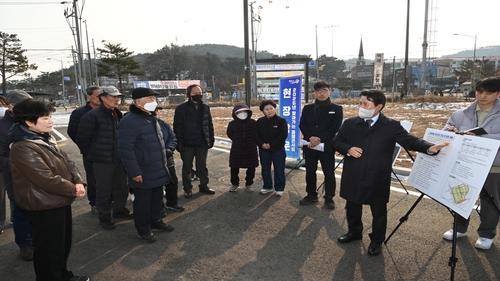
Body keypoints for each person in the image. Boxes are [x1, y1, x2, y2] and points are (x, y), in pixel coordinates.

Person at [332, 89, 449, 256]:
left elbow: (409, 140)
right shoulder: (350, 124)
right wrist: (348, 148)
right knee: (352, 205)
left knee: (378, 211)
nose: (361, 106)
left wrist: (428, 147)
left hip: (377, 176)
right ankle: (354, 232)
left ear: (378, 107)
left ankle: (376, 241)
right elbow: (336, 142)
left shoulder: (391, 125)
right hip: (354, 173)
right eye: (360, 103)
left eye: (366, 103)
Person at [9, 99, 89, 281]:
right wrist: (74, 190)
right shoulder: (23, 146)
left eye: (51, 116)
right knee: (47, 249)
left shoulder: (44, 137)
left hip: (58, 200)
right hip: (44, 204)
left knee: (61, 245)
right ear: (29, 122)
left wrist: (78, 181)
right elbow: (46, 180)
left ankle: (63, 275)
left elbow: (68, 161)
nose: (51, 121)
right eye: (45, 117)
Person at [441, 77, 500, 250]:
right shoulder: (460, 114)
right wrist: (451, 132)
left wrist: (480, 137)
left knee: (491, 200)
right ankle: (459, 228)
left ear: (498, 93)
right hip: (465, 163)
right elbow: (446, 130)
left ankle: (487, 234)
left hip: (494, 165)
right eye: (479, 92)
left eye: (489, 93)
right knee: (460, 195)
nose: (483, 96)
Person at [118, 88, 175, 243]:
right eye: (150, 98)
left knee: (157, 199)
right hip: (142, 170)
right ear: (138, 102)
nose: (154, 102)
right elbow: (125, 150)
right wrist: (134, 172)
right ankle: (143, 229)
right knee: (143, 202)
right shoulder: (129, 122)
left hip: (157, 167)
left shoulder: (151, 118)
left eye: (154, 99)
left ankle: (156, 221)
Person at [76, 86, 132, 231]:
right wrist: (94, 155)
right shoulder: (92, 116)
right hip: (102, 160)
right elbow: (83, 139)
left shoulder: (118, 114)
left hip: (119, 158)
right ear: (102, 97)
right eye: (112, 97)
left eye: (118, 97)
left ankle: (119, 210)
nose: (116, 99)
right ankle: (104, 216)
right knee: (104, 190)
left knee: (121, 187)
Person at [0, 90, 34, 260]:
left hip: (37, 177)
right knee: (20, 212)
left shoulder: (30, 121)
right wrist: (22, 166)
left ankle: (37, 240)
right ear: (11, 107)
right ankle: (25, 244)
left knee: (36, 210)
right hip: (15, 177)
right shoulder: (2, 126)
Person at [299, 81, 343, 209]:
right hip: (310, 146)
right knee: (310, 171)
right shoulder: (308, 108)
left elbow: (335, 127)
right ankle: (311, 194)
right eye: (318, 91)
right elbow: (302, 125)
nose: (321, 93)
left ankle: (329, 197)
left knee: (329, 172)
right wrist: (311, 138)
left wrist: (319, 138)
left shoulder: (336, 109)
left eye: (324, 90)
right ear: (314, 93)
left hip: (327, 146)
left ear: (329, 91)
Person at [173, 84, 215, 198]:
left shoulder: (205, 107)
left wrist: (211, 139)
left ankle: (204, 185)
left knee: (202, 165)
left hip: (202, 142)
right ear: (189, 94)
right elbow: (177, 127)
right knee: (187, 167)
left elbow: (209, 125)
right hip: (187, 143)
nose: (198, 95)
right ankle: (187, 188)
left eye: (199, 93)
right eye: (195, 93)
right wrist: (179, 142)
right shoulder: (181, 108)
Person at [67, 85, 100, 213]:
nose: (100, 99)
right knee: (93, 178)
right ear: (88, 96)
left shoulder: (108, 111)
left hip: (108, 152)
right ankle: (95, 203)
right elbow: (73, 132)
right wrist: (85, 147)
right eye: (97, 96)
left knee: (109, 178)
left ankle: (110, 200)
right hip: (90, 152)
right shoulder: (79, 113)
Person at [253, 100, 288, 197]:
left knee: (279, 169)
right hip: (263, 149)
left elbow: (282, 135)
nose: (269, 111)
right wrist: (262, 144)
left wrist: (271, 144)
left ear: (275, 108)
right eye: (266, 109)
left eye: (271, 108)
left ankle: (279, 188)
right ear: (263, 111)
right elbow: (255, 135)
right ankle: (267, 186)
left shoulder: (281, 121)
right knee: (265, 169)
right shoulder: (260, 121)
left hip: (278, 149)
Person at [155, 107, 184, 214]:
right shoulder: (144, 126)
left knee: (172, 182)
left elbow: (173, 138)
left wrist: (169, 149)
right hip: (154, 161)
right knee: (157, 186)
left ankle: (172, 203)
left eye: (157, 110)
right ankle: (158, 208)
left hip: (168, 160)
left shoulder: (164, 124)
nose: (155, 112)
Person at [226, 104, 258, 192]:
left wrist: (252, 142)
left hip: (250, 148)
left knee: (251, 167)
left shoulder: (253, 123)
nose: (242, 113)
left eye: (244, 111)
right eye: (239, 112)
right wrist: (237, 140)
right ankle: (234, 184)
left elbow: (256, 134)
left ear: (248, 112)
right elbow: (230, 134)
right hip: (237, 149)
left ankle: (249, 184)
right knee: (234, 167)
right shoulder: (232, 124)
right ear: (235, 114)